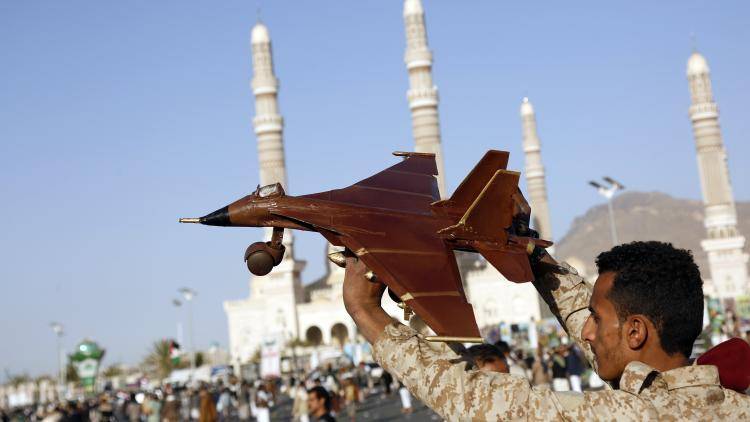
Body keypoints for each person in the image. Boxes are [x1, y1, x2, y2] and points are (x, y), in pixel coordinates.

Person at [342, 232, 750, 419]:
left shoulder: (634, 414)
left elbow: (468, 398)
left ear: (636, 332)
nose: (586, 332)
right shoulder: (729, 401)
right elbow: (583, 322)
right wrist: (532, 254)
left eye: (598, 318)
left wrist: (365, 310)